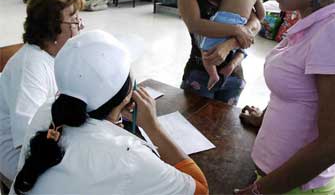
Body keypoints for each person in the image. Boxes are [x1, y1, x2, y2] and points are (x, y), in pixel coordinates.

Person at [12, 30, 208, 195]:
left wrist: (110, 121)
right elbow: (200, 189)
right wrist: (153, 127)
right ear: (126, 97)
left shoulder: (47, 110)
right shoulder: (128, 156)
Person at [236, 0, 335, 194]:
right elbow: (301, 92)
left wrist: (259, 190)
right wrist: (265, 118)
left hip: (297, 187)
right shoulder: (309, 25)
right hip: (276, 176)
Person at [0, 0, 85, 181]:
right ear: (51, 28)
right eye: (74, 22)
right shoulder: (30, 66)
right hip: (21, 158)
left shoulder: (57, 55)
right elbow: (27, 137)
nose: (78, 28)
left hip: (49, 136)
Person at [178, 0, 261, 104]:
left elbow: (256, 23)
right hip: (200, 73)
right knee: (192, 124)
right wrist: (237, 30)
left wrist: (229, 45)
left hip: (233, 74)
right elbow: (195, 24)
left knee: (223, 126)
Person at [195, 0, 265, 90]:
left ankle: (213, 75)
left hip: (222, 23)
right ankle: (232, 65)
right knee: (242, 46)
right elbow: (261, 16)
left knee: (205, 52)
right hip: (241, 25)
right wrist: (249, 8)